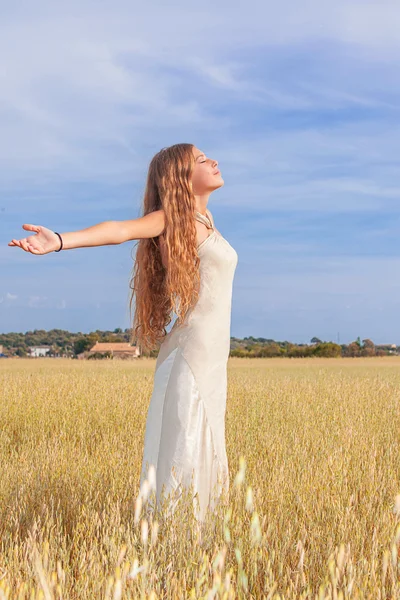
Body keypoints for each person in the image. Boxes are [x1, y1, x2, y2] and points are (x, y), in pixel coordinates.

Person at [9, 143, 238, 523]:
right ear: (180, 177)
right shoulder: (170, 219)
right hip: (193, 353)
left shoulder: (206, 219)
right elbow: (119, 230)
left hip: (212, 355)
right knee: (189, 440)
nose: (214, 160)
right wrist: (61, 240)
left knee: (208, 439)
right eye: (201, 160)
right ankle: (178, 540)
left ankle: (203, 536)